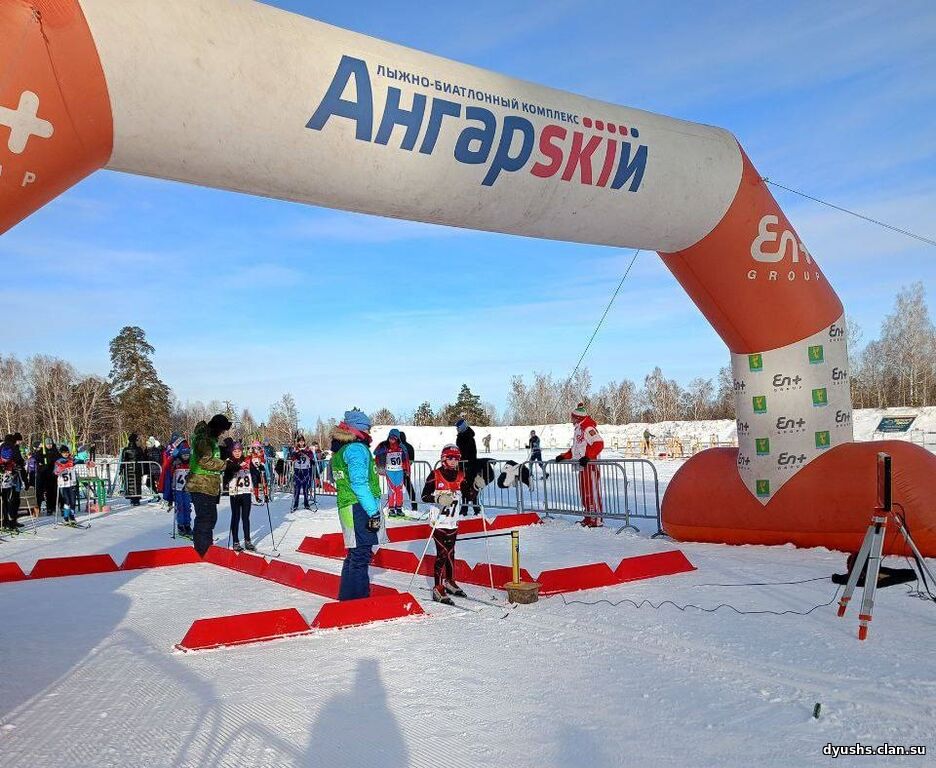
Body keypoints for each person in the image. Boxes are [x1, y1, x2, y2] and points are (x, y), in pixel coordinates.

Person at [332, 409, 384, 601]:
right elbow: (359, 483)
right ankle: (359, 600)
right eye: (367, 428)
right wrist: (373, 511)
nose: (369, 431)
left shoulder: (342, 449)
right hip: (358, 507)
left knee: (354, 554)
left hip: (348, 505)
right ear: (357, 429)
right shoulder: (356, 449)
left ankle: (347, 597)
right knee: (361, 555)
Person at [421, 444, 467, 605]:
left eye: (456, 458)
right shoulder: (435, 474)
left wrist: (476, 486)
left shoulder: (460, 476)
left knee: (451, 553)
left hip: (453, 522)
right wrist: (438, 498)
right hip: (438, 522)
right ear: (443, 459)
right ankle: (437, 587)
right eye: (450, 458)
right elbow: (424, 496)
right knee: (442, 553)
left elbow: (468, 494)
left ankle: (449, 581)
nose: (454, 461)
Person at [187, 414, 233, 557]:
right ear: (216, 427)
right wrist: (225, 465)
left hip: (209, 485)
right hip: (201, 484)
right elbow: (204, 460)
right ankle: (202, 551)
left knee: (210, 518)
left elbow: (213, 456)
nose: (222, 433)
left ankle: (206, 547)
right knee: (205, 519)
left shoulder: (210, 439)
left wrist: (224, 451)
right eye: (222, 430)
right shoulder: (203, 438)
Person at [556, 403, 605, 527]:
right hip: (582, 466)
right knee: (585, 493)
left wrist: (588, 457)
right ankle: (588, 517)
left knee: (592, 492)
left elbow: (598, 444)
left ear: (577, 417)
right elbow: (576, 449)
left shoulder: (588, 428)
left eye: (572, 417)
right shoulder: (579, 429)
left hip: (590, 466)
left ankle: (597, 519)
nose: (571, 420)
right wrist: (564, 456)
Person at [224, 441, 255, 551]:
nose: (237, 453)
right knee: (235, 517)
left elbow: (254, 472)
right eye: (235, 451)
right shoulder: (229, 461)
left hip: (246, 492)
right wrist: (237, 466)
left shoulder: (247, 460)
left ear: (242, 451)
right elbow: (227, 475)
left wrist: (259, 469)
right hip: (235, 493)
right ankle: (235, 541)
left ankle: (247, 540)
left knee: (246, 517)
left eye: (239, 451)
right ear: (232, 452)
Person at [374, 428, 410, 517]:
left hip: (399, 471)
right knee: (392, 490)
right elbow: (376, 453)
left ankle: (399, 508)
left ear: (397, 438)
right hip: (389, 471)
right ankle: (391, 508)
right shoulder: (385, 446)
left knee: (399, 490)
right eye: (390, 437)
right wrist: (382, 448)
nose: (392, 439)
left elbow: (406, 459)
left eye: (394, 437)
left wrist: (407, 470)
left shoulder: (401, 447)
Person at [54, 444, 88, 524]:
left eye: (67, 452)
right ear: (61, 453)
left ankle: (72, 517)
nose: (66, 454)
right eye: (64, 453)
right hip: (63, 485)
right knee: (67, 501)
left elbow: (80, 461)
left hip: (72, 484)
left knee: (73, 501)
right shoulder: (58, 461)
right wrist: (60, 470)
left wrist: (87, 462)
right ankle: (65, 518)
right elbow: (55, 471)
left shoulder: (71, 460)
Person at [455, 419, 481, 516]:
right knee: (464, 487)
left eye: (458, 428)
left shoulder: (468, 437)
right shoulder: (462, 437)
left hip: (469, 466)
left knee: (471, 487)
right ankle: (466, 507)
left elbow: (467, 452)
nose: (457, 430)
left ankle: (475, 508)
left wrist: (465, 462)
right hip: (463, 465)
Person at [1, 433, 26, 531]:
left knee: (9, 500)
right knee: (11, 501)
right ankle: (9, 521)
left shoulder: (9, 448)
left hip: (9, 478)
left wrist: (16, 467)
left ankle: (9, 521)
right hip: (9, 479)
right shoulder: (10, 448)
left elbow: (15, 463)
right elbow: (16, 461)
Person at [169, 440, 193, 537]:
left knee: (187, 507)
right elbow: (170, 474)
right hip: (178, 489)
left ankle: (187, 524)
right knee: (180, 507)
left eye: (187, 455)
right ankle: (180, 525)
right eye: (184, 455)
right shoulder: (177, 463)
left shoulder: (191, 463)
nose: (185, 457)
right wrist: (173, 466)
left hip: (187, 489)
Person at [32, 437, 60, 515]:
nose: (49, 446)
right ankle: (37, 508)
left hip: (51, 475)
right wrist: (41, 462)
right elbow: (36, 458)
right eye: (48, 444)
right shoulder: (41, 451)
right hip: (42, 474)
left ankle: (50, 508)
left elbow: (57, 459)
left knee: (51, 492)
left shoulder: (55, 451)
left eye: (50, 444)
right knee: (39, 492)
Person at [290, 435, 314, 511]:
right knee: (297, 488)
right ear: (298, 442)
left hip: (305, 469)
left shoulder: (307, 448)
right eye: (300, 441)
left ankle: (306, 504)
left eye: (302, 441)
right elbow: (292, 458)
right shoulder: (295, 449)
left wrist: (306, 453)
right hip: (297, 470)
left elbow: (312, 456)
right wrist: (296, 455)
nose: (301, 442)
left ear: (304, 441)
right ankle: (295, 504)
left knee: (305, 488)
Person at [121, 433, 145, 506]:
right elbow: (142, 459)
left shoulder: (126, 450)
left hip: (128, 469)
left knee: (130, 484)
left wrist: (121, 469)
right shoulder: (139, 449)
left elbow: (123, 460)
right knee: (137, 484)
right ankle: (137, 499)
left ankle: (132, 499)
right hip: (137, 468)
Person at [398, 430, 418, 513]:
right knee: (409, 488)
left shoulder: (397, 446)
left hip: (397, 470)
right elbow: (412, 459)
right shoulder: (409, 446)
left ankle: (397, 506)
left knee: (397, 489)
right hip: (406, 470)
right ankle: (414, 506)